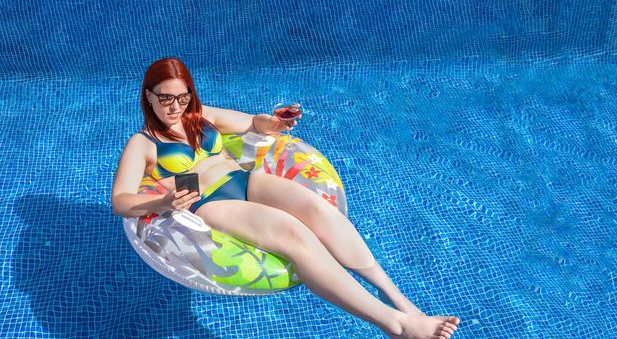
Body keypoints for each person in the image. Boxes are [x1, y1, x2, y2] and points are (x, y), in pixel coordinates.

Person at [111, 57, 460, 339]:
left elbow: (251, 124)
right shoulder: (141, 143)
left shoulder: (202, 116)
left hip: (243, 180)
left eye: (182, 96)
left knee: (317, 211)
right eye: (166, 98)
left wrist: (271, 123)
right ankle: (396, 325)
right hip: (211, 202)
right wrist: (163, 203)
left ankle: (400, 301)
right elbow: (120, 201)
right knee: (294, 235)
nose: (175, 106)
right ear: (149, 96)